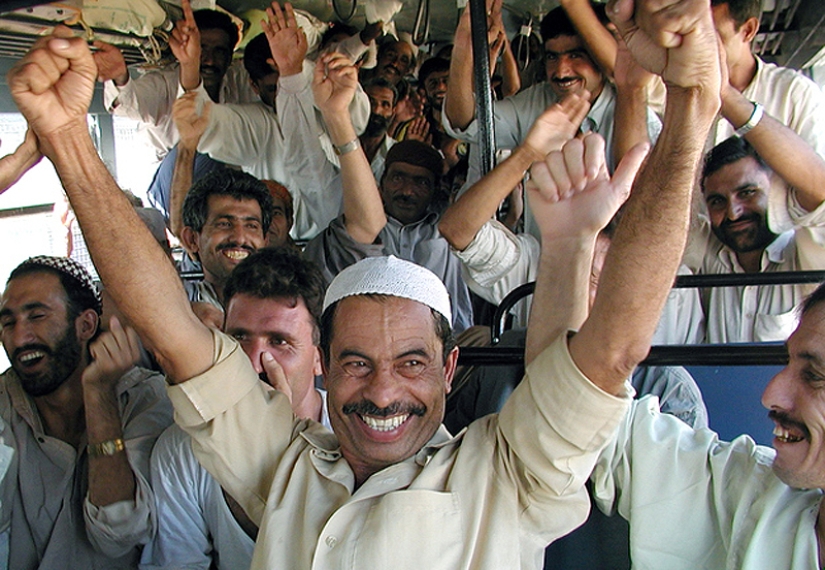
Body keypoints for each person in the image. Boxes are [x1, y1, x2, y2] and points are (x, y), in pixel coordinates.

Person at [7, 0, 720, 563]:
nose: (382, 392)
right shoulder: (279, 469)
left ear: (448, 370)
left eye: (410, 364)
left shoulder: (507, 476)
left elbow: (614, 349)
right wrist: (68, 139)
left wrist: (689, 107)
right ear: (321, 368)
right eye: (355, 364)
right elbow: (164, 317)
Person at [142, 247, 330, 570]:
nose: (255, 362)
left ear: (319, 358)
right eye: (239, 338)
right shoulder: (181, 451)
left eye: (279, 342)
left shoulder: (351, 442)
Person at [0, 256, 172, 568]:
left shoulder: (144, 398)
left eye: (36, 317)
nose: (20, 337)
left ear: (86, 325)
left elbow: (117, 534)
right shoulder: (4, 403)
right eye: (8, 323)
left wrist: (99, 394)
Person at [443, 0, 661, 240]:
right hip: (543, 265)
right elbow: (467, 124)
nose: (561, 71)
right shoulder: (537, 101)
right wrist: (464, 48)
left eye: (576, 55)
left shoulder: (638, 118)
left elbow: (642, 205)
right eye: (552, 57)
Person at [183, 3, 370, 240]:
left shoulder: (326, 102)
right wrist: (189, 67)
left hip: (338, 239)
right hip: (278, 243)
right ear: (254, 86)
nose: (285, 98)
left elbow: (359, 122)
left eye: (289, 85)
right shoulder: (257, 124)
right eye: (274, 89)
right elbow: (204, 124)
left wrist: (296, 72)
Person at [683, 136, 825, 342]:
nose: (733, 213)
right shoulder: (707, 246)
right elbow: (644, 211)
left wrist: (737, 107)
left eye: (748, 193)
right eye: (717, 201)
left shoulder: (807, 254)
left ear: (778, 192)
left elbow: (819, 191)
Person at [95, 0, 257, 159]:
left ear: (230, 57)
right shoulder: (165, 84)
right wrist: (120, 76)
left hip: (217, 167)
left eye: (219, 52)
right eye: (201, 49)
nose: (209, 60)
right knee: (206, 154)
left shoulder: (237, 80)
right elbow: (130, 105)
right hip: (170, 166)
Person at [179, 169, 273, 309]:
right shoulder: (178, 307)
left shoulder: (293, 305)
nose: (240, 238)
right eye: (224, 224)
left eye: (251, 226)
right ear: (192, 239)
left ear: (265, 241)